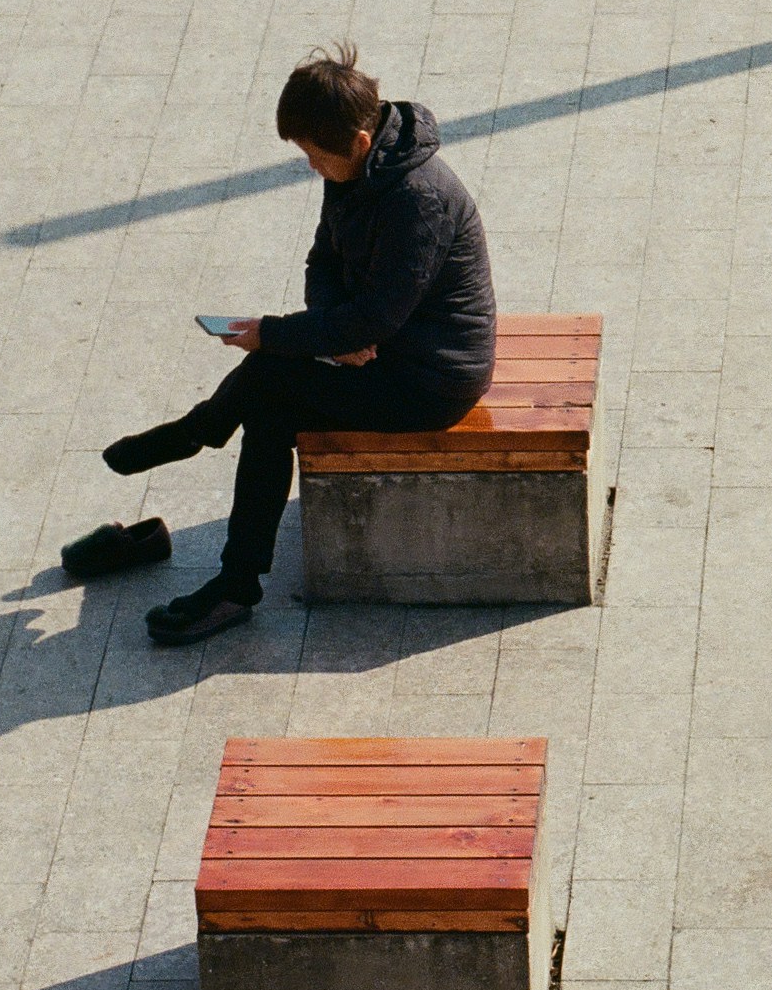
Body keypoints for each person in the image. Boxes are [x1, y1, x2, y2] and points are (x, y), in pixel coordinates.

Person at [68, 47, 499, 646]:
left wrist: (283, 333)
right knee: (271, 398)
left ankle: (197, 437)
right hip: (382, 350)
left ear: (359, 137)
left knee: (271, 378)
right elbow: (323, 259)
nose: (310, 166)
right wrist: (332, 331)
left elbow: (376, 316)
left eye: (314, 154)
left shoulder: (416, 201)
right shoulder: (358, 170)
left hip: (429, 381)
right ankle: (233, 578)